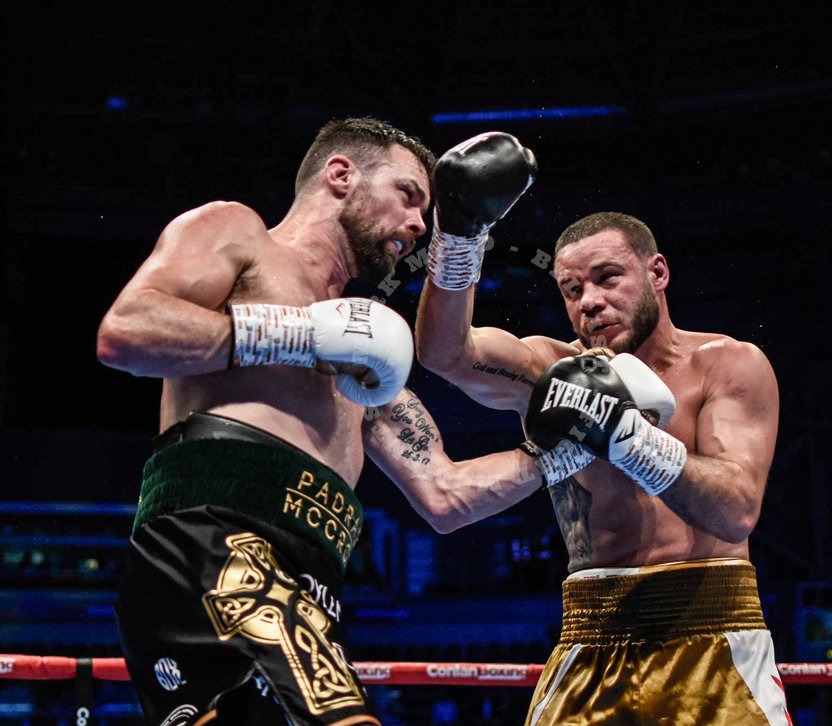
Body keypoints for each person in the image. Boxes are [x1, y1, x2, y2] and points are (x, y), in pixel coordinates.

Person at [95, 117, 551, 726]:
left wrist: (565, 447)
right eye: (409, 196)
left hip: (313, 583)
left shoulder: (366, 351)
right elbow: (127, 333)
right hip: (211, 548)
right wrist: (298, 334)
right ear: (340, 175)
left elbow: (446, 495)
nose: (419, 224)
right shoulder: (240, 234)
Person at [415, 136, 792, 725]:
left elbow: (735, 511)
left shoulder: (728, 364)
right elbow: (445, 354)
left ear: (657, 272)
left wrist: (625, 434)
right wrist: (458, 236)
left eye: (607, 278)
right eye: (572, 289)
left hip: (713, 635)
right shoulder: (550, 368)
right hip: (592, 634)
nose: (589, 302)